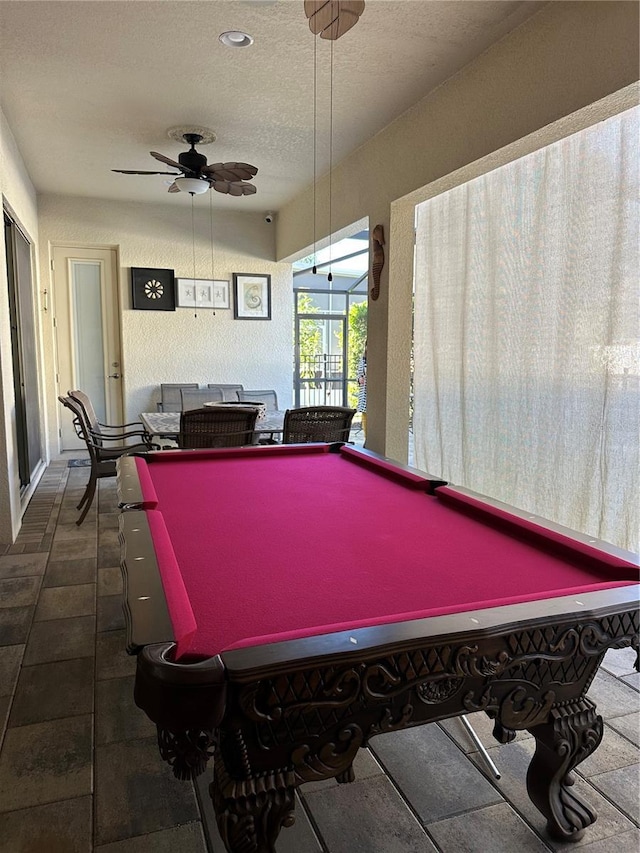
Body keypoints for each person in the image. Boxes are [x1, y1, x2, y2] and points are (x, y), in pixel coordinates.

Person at [356, 342, 367, 436]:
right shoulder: (363, 360)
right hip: (365, 392)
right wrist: (360, 379)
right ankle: (366, 438)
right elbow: (358, 375)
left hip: (375, 393)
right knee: (365, 416)